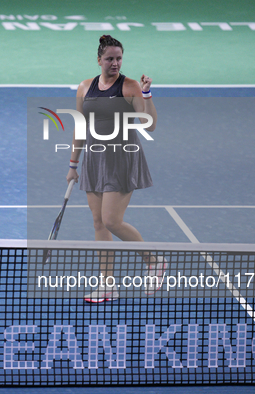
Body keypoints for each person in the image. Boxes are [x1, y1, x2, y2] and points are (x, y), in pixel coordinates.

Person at [66, 35, 167, 303]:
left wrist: (146, 94)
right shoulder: (85, 87)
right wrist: (73, 164)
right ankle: (107, 285)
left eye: (119, 58)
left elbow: (150, 125)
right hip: (94, 161)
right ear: (99, 60)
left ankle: (154, 262)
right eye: (110, 58)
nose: (115, 63)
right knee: (99, 223)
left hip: (121, 160)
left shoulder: (131, 86)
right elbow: (80, 127)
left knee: (112, 220)